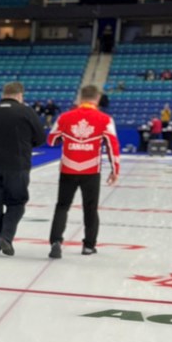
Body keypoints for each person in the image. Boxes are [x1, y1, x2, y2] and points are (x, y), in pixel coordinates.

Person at [46, 85, 120, 259]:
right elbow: (112, 146)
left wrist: (68, 139)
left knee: (62, 206)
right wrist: (115, 170)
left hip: (68, 168)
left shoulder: (65, 117)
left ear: (80, 98)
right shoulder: (105, 119)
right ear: (97, 98)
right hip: (91, 170)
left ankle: (56, 242)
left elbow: (51, 140)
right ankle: (88, 245)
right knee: (91, 208)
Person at [0, 82, 45, 257]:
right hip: (16, 165)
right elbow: (40, 138)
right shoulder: (26, 112)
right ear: (20, 95)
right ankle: (5, 236)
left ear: (4, 93)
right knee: (16, 203)